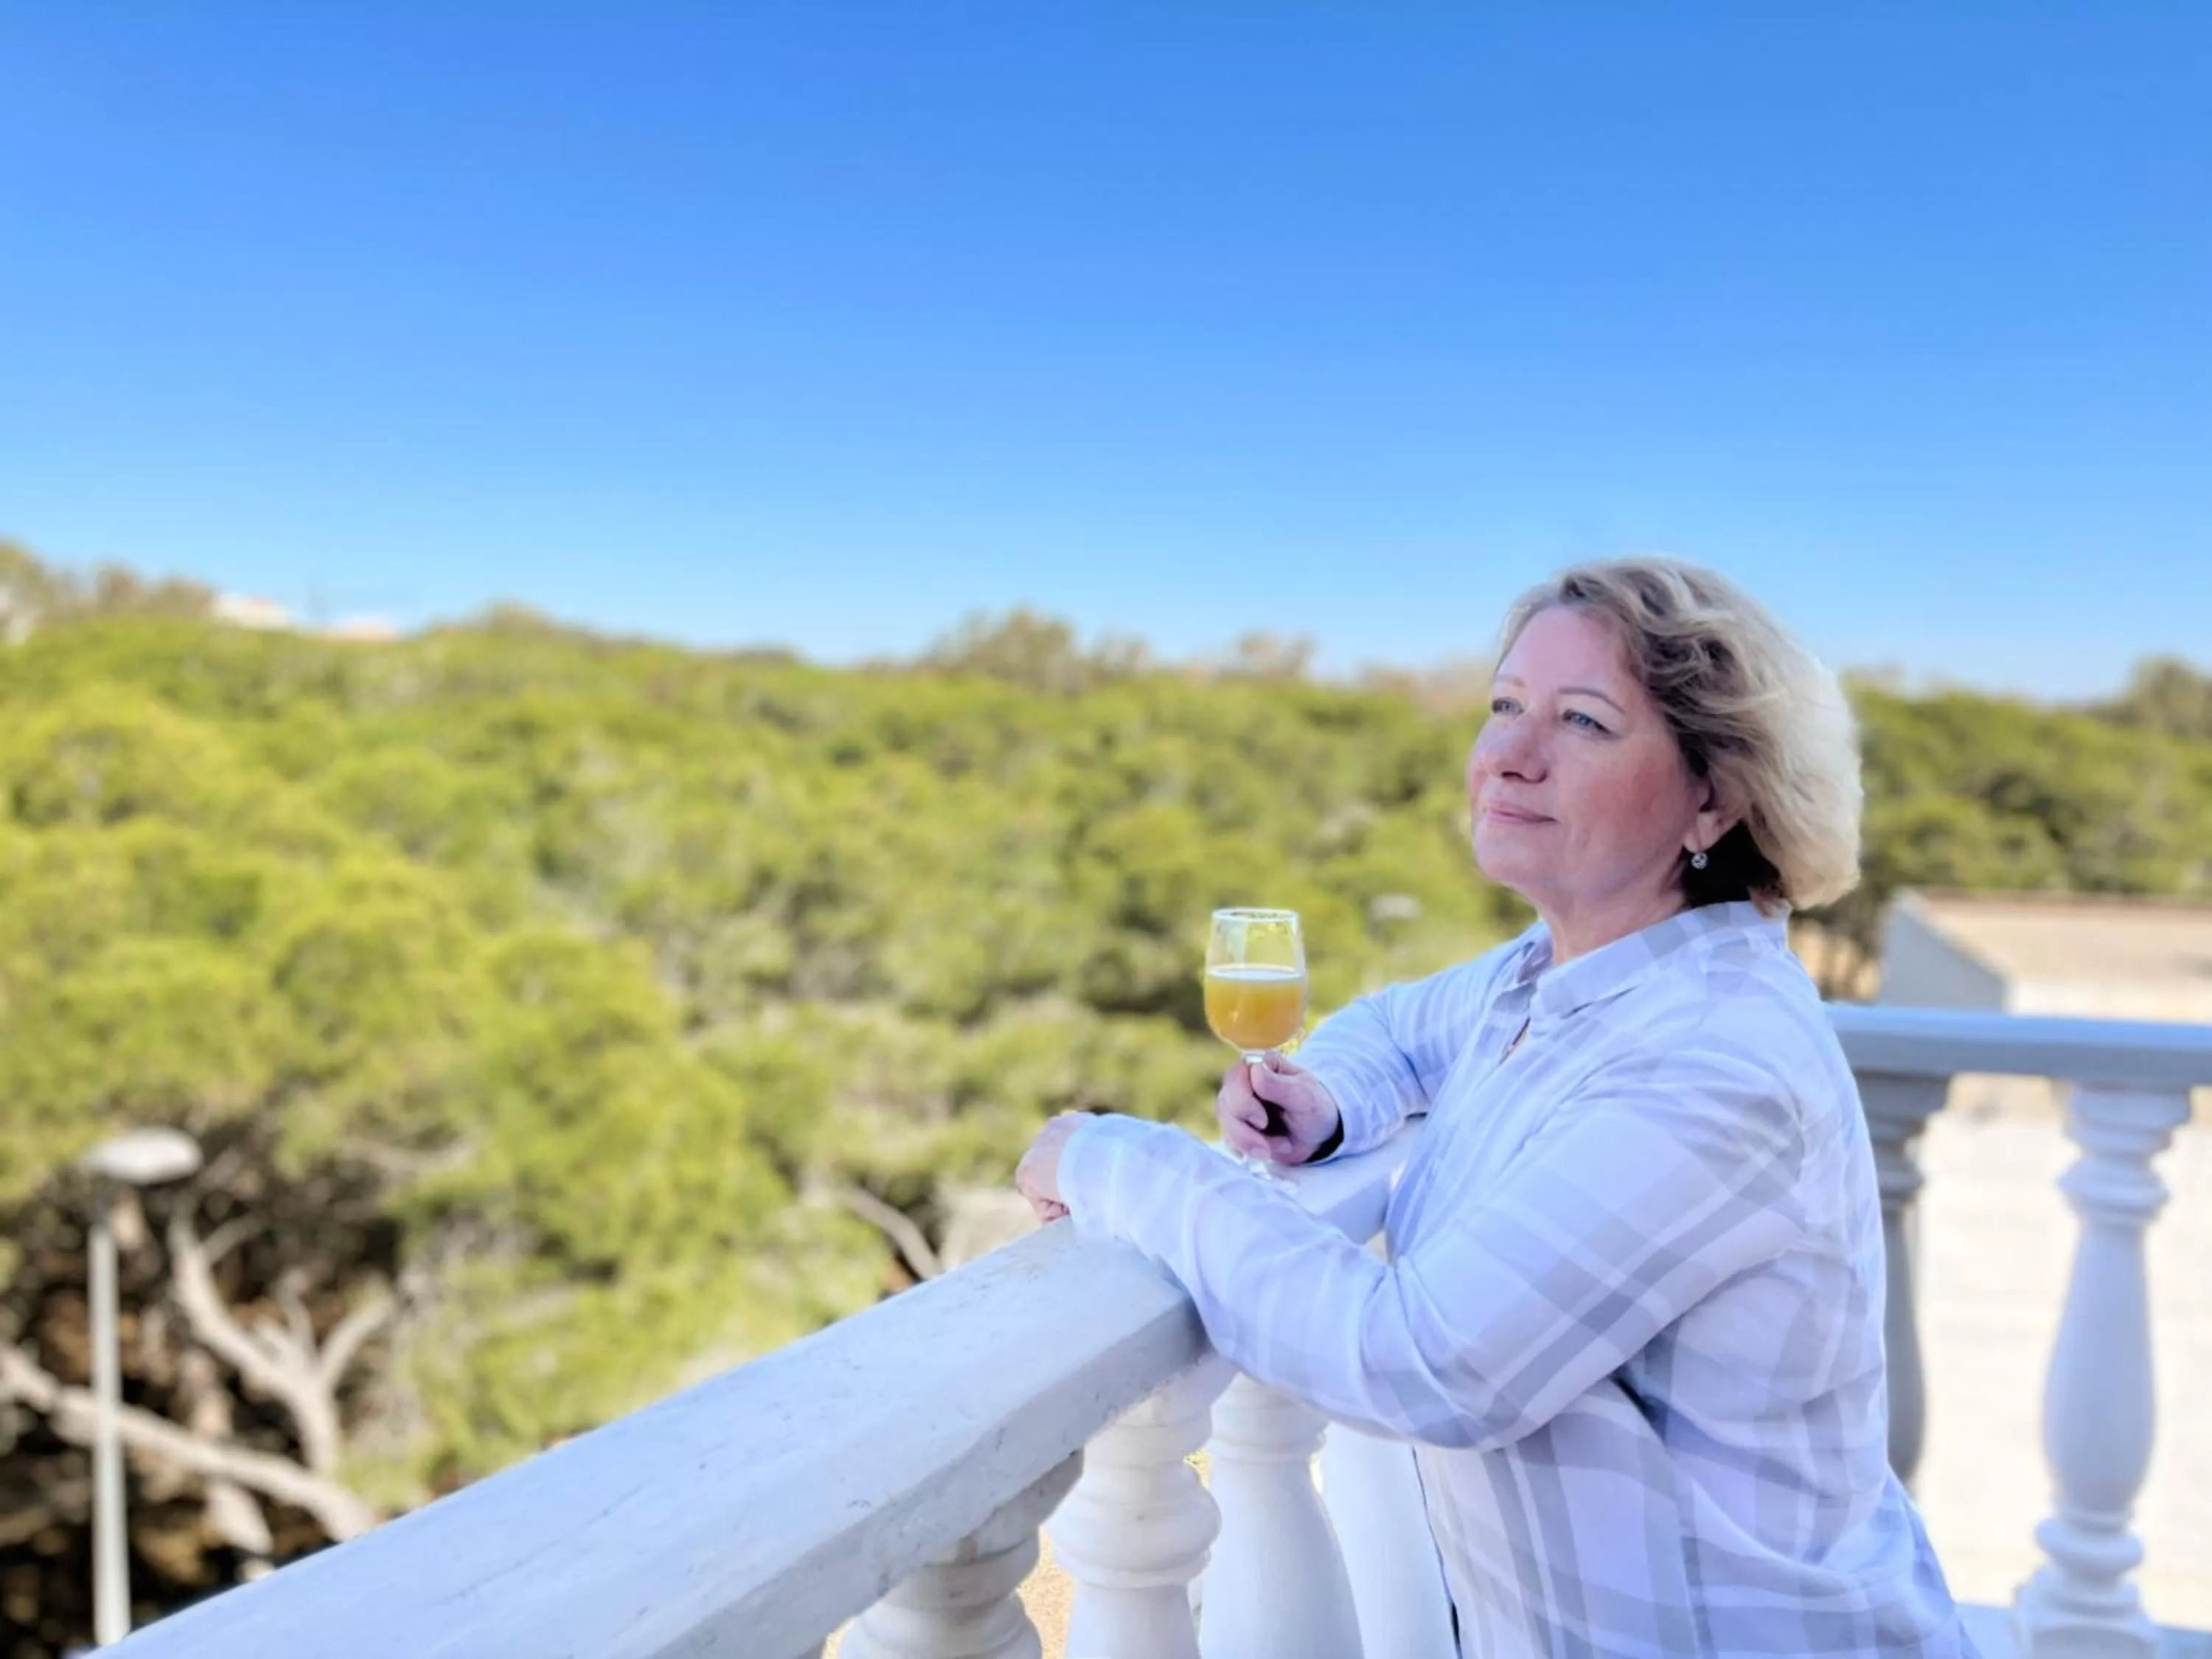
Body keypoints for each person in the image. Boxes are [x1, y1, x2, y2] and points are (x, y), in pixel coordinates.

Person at [1015, 558, 1972, 1657]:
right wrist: (1330, 1099)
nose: (1510, 756)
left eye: (1583, 720)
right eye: (1505, 706)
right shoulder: (1555, 971)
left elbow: (1419, 1363)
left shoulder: (1716, 1058)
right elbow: (1397, 1029)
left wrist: (1111, 1161)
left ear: (1715, 792)